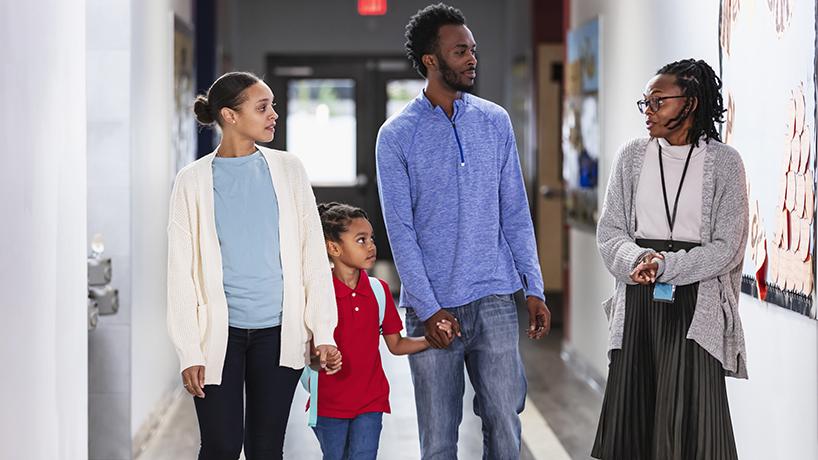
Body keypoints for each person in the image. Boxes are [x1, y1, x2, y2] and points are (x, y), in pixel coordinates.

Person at [375, 4, 551, 458]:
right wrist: (430, 309)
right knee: (437, 437)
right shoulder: (396, 136)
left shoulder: (495, 121)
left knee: (504, 422)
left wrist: (534, 287)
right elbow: (401, 231)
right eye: (460, 51)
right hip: (431, 306)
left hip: (494, 298)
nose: (472, 58)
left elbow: (515, 210)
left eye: (473, 49)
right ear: (431, 60)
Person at [166, 71, 342, 459]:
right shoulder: (191, 181)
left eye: (273, 106)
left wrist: (323, 331)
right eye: (263, 107)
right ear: (229, 115)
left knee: (266, 450)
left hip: (278, 333)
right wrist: (189, 352)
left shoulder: (289, 170)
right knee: (221, 447)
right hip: (218, 337)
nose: (273, 114)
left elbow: (313, 257)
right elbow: (180, 274)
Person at [592, 58, 748, 460]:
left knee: (692, 434)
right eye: (644, 102)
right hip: (638, 302)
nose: (648, 111)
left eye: (658, 101)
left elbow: (726, 246)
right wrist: (639, 259)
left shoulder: (725, 163)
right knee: (634, 428)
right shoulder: (631, 157)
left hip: (697, 307)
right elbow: (610, 232)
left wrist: (667, 266)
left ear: (691, 103)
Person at [309, 202, 453, 460]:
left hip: (370, 401)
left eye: (371, 238)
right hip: (328, 405)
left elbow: (396, 345)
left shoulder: (379, 291)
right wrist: (322, 360)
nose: (371, 246)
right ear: (333, 248)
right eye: (361, 240)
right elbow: (310, 355)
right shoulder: (319, 294)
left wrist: (430, 340)